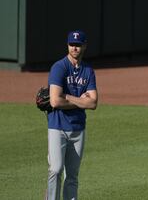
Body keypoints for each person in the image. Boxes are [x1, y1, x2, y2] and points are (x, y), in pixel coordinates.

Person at [46, 30, 98, 200]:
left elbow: (93, 103)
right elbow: (55, 101)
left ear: (84, 46)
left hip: (78, 129)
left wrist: (67, 96)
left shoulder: (88, 71)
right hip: (57, 127)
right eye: (72, 44)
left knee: (73, 176)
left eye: (78, 45)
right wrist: (79, 100)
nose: (75, 48)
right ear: (68, 45)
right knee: (55, 169)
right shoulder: (59, 67)